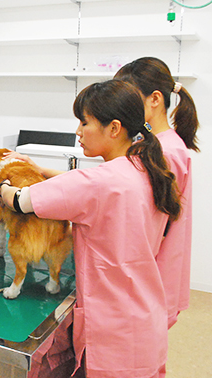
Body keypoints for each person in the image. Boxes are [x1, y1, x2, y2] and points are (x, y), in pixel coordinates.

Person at [0, 80, 180, 377]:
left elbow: (20, 201)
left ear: (114, 128)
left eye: (84, 122)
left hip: (112, 332)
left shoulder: (98, 183)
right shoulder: (149, 170)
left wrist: (3, 185)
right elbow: (82, 185)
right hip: (145, 318)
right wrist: (41, 170)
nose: (78, 132)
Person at [114, 57, 199, 329]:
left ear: (155, 99)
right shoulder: (156, 143)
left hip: (152, 274)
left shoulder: (166, 152)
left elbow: (147, 220)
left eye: (130, 98)